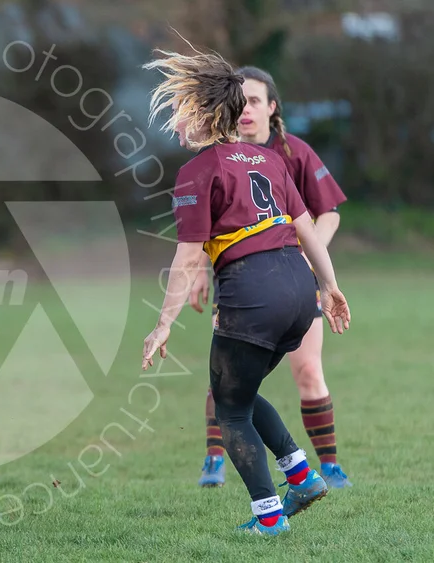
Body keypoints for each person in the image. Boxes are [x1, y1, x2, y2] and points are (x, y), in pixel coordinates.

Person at [140, 45, 351, 535]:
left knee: (228, 409)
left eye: (179, 110)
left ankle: (270, 517)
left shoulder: (197, 172)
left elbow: (189, 256)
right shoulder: (267, 160)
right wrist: (330, 285)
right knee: (237, 389)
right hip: (298, 290)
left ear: (203, 112)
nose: (174, 121)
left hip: (253, 293)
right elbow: (304, 227)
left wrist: (162, 324)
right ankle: (302, 475)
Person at [191, 66, 352, 489]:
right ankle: (215, 461)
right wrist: (201, 275)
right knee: (228, 377)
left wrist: (311, 262)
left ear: (271, 107)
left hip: (295, 279)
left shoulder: (292, 152)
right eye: (239, 101)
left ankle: (327, 468)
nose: (245, 109)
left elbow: (328, 215)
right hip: (242, 282)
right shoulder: (219, 155)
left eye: (255, 100)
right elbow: (206, 233)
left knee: (304, 372)